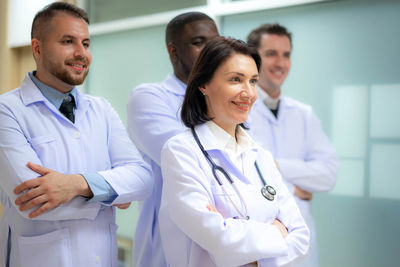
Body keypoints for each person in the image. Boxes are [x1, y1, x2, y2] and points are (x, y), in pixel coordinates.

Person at [0, 3, 153, 266]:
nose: (81, 53)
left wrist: (76, 185)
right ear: (37, 48)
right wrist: (113, 193)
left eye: (86, 43)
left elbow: (142, 178)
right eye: (68, 41)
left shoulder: (101, 109)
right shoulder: (7, 110)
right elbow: (33, 203)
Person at [159, 36, 309, 267]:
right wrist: (277, 231)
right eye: (236, 79)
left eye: (253, 81)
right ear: (203, 84)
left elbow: (300, 235)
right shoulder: (181, 151)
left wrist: (248, 255)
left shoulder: (260, 156)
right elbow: (218, 238)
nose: (248, 93)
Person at [127, 12, 219, 267]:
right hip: (168, 246)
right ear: (173, 51)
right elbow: (189, 158)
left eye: (215, 43)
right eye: (199, 42)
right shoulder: (149, 98)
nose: (210, 52)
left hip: (225, 241)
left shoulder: (227, 100)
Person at [246, 23, 339, 267]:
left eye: (286, 55)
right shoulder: (239, 110)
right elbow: (244, 178)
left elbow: (329, 175)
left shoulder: (303, 114)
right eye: (271, 54)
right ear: (253, 58)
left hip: (302, 247)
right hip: (257, 238)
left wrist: (275, 166)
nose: (280, 62)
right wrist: (297, 187)